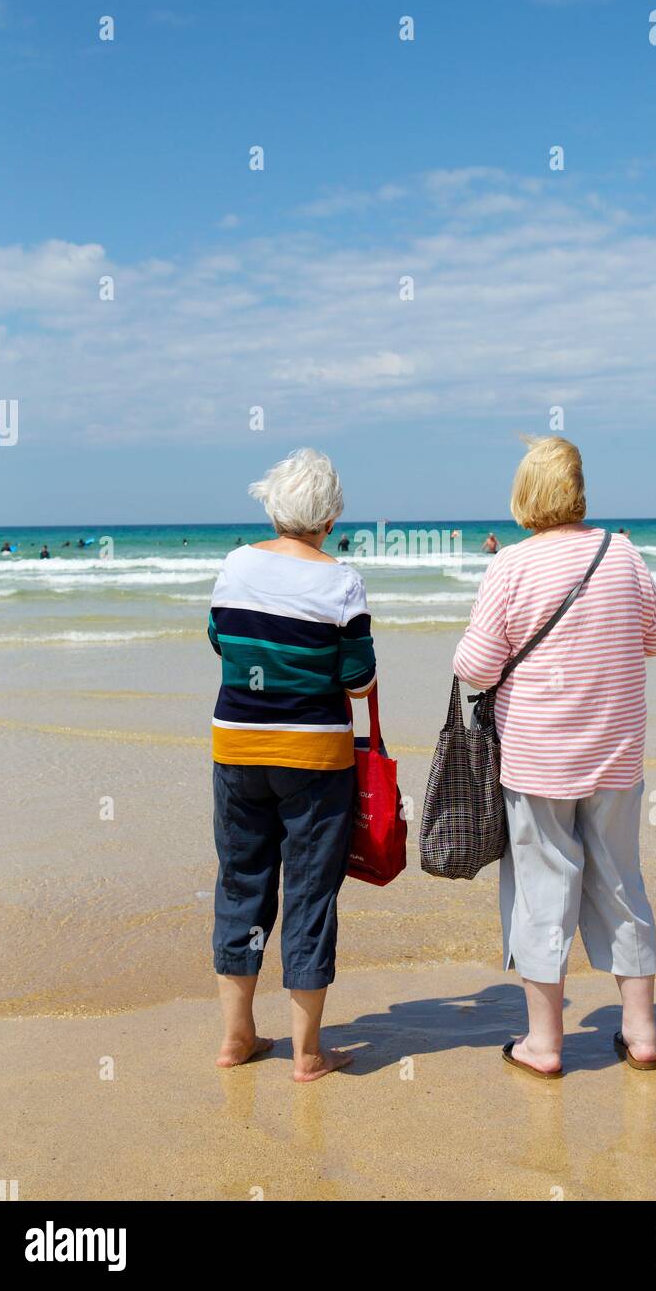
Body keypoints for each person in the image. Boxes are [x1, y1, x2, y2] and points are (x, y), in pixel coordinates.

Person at [453, 436, 656, 1078]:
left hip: (540, 759)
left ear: (525, 494)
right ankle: (642, 1032)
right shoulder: (623, 554)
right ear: (579, 491)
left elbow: (476, 666)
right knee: (622, 882)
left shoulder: (510, 567)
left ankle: (545, 1045)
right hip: (616, 753)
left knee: (544, 889)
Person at [208, 448, 376, 1080]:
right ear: (329, 517)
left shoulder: (234, 565)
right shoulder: (341, 581)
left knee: (241, 881)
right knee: (310, 892)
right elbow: (357, 679)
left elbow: (220, 639)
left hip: (239, 748)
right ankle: (308, 1055)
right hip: (314, 757)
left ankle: (236, 1037)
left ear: (274, 507)